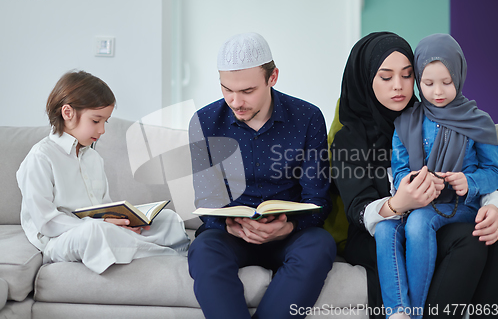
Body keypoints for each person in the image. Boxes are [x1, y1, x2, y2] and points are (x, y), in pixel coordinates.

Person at [329, 32, 498, 319]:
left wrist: (493, 205)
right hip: (374, 229)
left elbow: (486, 168)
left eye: (407, 75)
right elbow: (358, 209)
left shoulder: (432, 115)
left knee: (480, 238)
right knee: (414, 230)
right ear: (366, 78)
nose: (398, 86)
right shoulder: (350, 137)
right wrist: (400, 202)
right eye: (386, 77)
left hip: (441, 211)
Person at [188, 32, 335, 319]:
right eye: (226, 89)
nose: (235, 101)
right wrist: (231, 224)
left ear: (273, 77)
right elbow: (206, 200)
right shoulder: (204, 121)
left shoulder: (308, 118)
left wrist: (288, 228)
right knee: (203, 249)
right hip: (230, 234)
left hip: (290, 233)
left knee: (320, 244)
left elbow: (318, 199)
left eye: (247, 91)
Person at [17, 70, 190, 274]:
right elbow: (47, 222)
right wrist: (105, 224)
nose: (102, 131)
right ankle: (168, 256)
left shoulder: (93, 158)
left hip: (101, 228)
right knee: (95, 231)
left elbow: (104, 207)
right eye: (95, 121)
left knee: (167, 219)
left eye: (105, 122)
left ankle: (134, 245)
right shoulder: (41, 157)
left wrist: (123, 221)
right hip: (60, 239)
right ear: (68, 113)